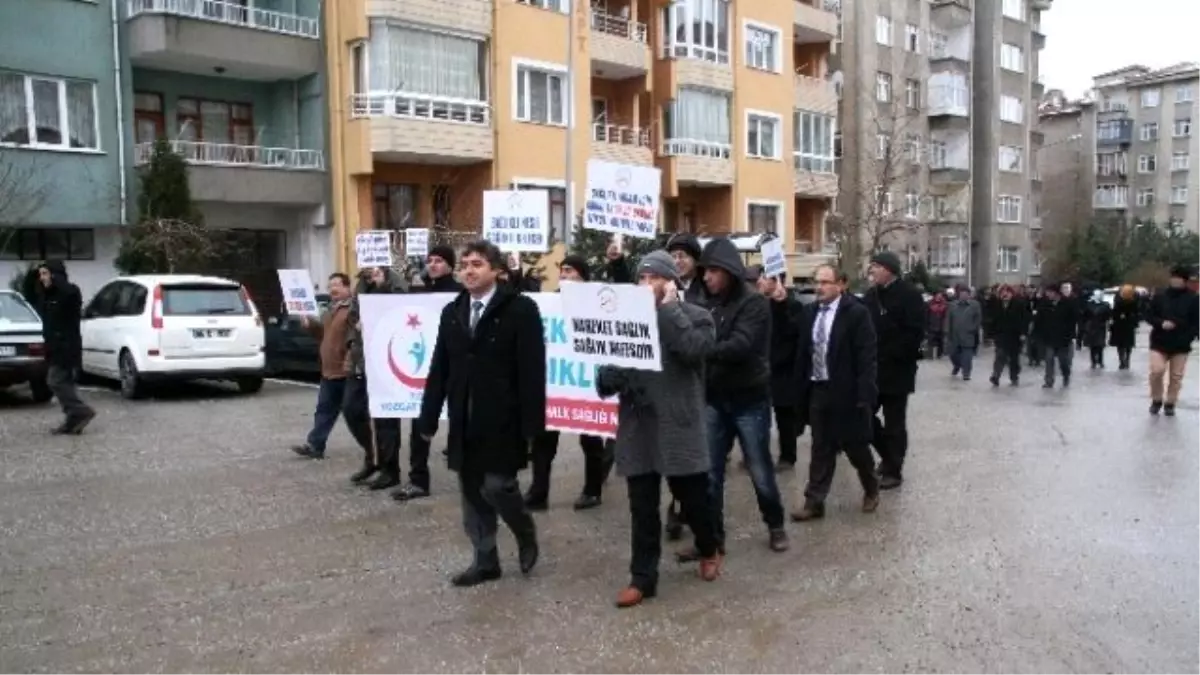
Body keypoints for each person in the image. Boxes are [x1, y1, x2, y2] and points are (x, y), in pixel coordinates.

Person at [596, 251, 721, 608]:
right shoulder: (625, 320)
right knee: (642, 506)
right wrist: (607, 375)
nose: (646, 284)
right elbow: (606, 378)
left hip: (678, 424)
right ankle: (642, 578)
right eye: (642, 278)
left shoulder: (697, 317)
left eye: (654, 278)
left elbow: (694, 350)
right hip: (639, 426)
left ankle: (709, 547)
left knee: (694, 498)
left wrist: (667, 311)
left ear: (671, 282)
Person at [417, 240, 545, 587]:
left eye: (477, 264)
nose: (469, 270)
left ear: (496, 270)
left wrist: (533, 427)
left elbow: (532, 371)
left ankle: (524, 530)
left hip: (503, 418)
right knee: (472, 492)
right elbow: (440, 368)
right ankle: (485, 560)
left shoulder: (520, 309)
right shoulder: (453, 311)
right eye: (465, 265)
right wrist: (428, 419)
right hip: (463, 419)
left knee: (498, 486)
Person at [686, 237, 789, 556]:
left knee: (759, 470)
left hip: (749, 400)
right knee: (711, 473)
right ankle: (713, 538)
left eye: (713, 271)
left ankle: (775, 525)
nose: (706, 278)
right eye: (704, 272)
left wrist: (702, 349)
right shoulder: (704, 301)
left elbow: (741, 346)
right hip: (714, 399)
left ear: (728, 271)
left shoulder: (753, 303)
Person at [790, 264, 880, 522]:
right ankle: (814, 501)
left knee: (855, 446)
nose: (819, 287)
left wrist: (865, 394)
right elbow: (802, 354)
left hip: (847, 392)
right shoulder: (809, 314)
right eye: (817, 282)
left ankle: (871, 487)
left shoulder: (856, 314)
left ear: (841, 284)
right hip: (819, 389)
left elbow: (866, 356)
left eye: (826, 282)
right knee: (821, 447)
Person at [525, 254, 616, 511]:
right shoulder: (549, 302)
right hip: (555, 382)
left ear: (583, 277)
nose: (564, 275)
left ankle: (592, 490)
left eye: (571, 270)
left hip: (586, 384)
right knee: (543, 442)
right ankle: (538, 492)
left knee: (590, 441)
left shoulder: (598, 302)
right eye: (562, 270)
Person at [392, 246, 464, 502]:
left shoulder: (459, 293)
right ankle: (418, 478)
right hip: (424, 366)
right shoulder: (420, 292)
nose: (433, 265)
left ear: (450, 265)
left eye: (440, 261)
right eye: (430, 260)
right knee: (419, 423)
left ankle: (474, 477)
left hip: (453, 366)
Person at [862, 251, 925, 490]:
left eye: (876, 267)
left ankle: (894, 470)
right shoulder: (870, 296)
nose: (872, 271)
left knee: (894, 422)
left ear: (889, 269)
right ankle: (888, 456)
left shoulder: (910, 295)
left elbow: (915, 332)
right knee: (864, 415)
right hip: (872, 370)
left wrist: (891, 353)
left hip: (898, 370)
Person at [342, 266, 404, 489]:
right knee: (351, 410)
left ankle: (389, 469)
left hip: (385, 358)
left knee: (385, 419)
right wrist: (352, 338)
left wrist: (382, 285)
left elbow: (400, 307)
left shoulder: (394, 281)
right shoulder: (361, 284)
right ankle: (372, 456)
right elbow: (353, 316)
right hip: (361, 357)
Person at [291, 272, 353, 459]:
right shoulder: (329, 312)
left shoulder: (352, 310)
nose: (332, 289)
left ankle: (375, 449)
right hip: (329, 371)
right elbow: (323, 336)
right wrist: (309, 324)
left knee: (355, 414)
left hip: (347, 372)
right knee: (324, 410)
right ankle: (315, 445)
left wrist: (351, 362)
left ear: (347, 288)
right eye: (330, 286)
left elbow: (356, 340)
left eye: (337, 285)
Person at [35, 260, 95, 434]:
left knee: (54, 381)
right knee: (65, 382)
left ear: (55, 274)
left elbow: (69, 298)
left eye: (45, 274)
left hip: (67, 346)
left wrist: (57, 282)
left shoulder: (69, 292)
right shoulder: (47, 296)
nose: (42, 278)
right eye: (41, 274)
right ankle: (72, 420)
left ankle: (80, 411)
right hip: (53, 347)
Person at [757, 269, 804, 470]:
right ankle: (757, 455)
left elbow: (791, 333)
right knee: (758, 415)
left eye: (765, 277)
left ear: (777, 281)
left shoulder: (794, 306)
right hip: (761, 369)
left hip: (784, 371)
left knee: (785, 416)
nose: (760, 281)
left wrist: (780, 306)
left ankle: (788, 456)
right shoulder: (758, 304)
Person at [1146, 266, 1200, 416]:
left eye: (1179, 278)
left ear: (1185, 281)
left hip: (1181, 344)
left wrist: (1189, 335)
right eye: (1173, 277)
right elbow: (1149, 315)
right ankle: (1156, 399)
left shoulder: (1193, 298)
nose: (1175, 281)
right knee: (1157, 371)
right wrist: (1161, 323)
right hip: (1159, 340)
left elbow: (1196, 322)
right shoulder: (1160, 295)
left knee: (1176, 376)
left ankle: (1170, 403)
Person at [1032, 282, 1078, 389]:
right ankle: (1049, 381)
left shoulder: (1067, 303)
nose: (1047, 294)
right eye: (1047, 292)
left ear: (1056, 293)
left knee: (1063, 361)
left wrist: (1070, 335)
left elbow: (1073, 320)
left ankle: (1066, 375)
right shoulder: (1045, 304)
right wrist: (1036, 334)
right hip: (1049, 337)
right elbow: (1038, 320)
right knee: (1049, 359)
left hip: (1063, 338)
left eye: (1049, 292)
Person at [989, 284, 1029, 386]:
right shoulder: (996, 304)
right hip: (1001, 335)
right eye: (1002, 292)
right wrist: (991, 334)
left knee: (1013, 358)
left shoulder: (1019, 304)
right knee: (1000, 355)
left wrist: (1023, 333)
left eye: (1007, 292)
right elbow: (993, 320)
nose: (1005, 294)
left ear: (1012, 293)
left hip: (1015, 336)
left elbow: (1025, 320)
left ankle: (1014, 376)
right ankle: (996, 376)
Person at [946, 284, 983, 381]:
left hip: (968, 335)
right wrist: (947, 332)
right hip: (955, 335)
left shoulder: (975, 305)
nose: (963, 296)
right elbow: (948, 319)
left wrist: (973, 328)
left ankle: (966, 373)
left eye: (966, 294)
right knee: (953, 354)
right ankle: (957, 365)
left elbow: (978, 318)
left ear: (969, 295)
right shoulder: (952, 305)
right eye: (962, 294)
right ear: (959, 295)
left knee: (967, 356)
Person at [665, 233, 706, 304]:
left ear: (696, 260)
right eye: (673, 257)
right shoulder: (665, 287)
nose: (677, 261)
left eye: (682, 256)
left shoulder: (708, 288)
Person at [1110, 284, 1140, 370]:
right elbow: (1137, 313)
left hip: (1120, 325)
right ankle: (1126, 360)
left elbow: (1114, 312)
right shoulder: (1133, 301)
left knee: (1121, 345)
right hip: (1127, 325)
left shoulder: (1119, 300)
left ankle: (1123, 360)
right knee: (1127, 344)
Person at [1082, 291, 1113, 369]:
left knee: (1100, 345)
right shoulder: (1089, 305)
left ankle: (1100, 360)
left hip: (1101, 326)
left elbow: (1108, 316)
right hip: (1091, 327)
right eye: (1098, 295)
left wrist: (1107, 322)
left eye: (1100, 295)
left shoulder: (1105, 305)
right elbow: (1084, 316)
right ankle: (1093, 362)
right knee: (1092, 346)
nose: (1099, 296)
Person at [926, 292, 948, 359]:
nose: (939, 297)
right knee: (931, 340)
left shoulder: (945, 305)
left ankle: (939, 354)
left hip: (941, 325)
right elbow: (926, 315)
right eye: (937, 295)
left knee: (940, 341)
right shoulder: (929, 304)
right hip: (932, 324)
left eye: (940, 296)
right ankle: (930, 354)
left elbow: (946, 316)